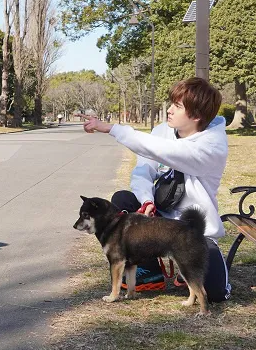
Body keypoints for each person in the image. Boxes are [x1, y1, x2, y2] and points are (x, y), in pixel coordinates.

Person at [78, 77, 231, 303]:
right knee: (122, 200)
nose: (169, 110)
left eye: (177, 106)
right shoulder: (163, 130)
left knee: (215, 293)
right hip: (157, 220)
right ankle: (149, 270)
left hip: (191, 228)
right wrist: (146, 200)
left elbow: (164, 151)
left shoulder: (212, 146)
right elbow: (143, 169)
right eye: (171, 103)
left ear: (196, 116)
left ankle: (184, 269)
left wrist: (111, 128)